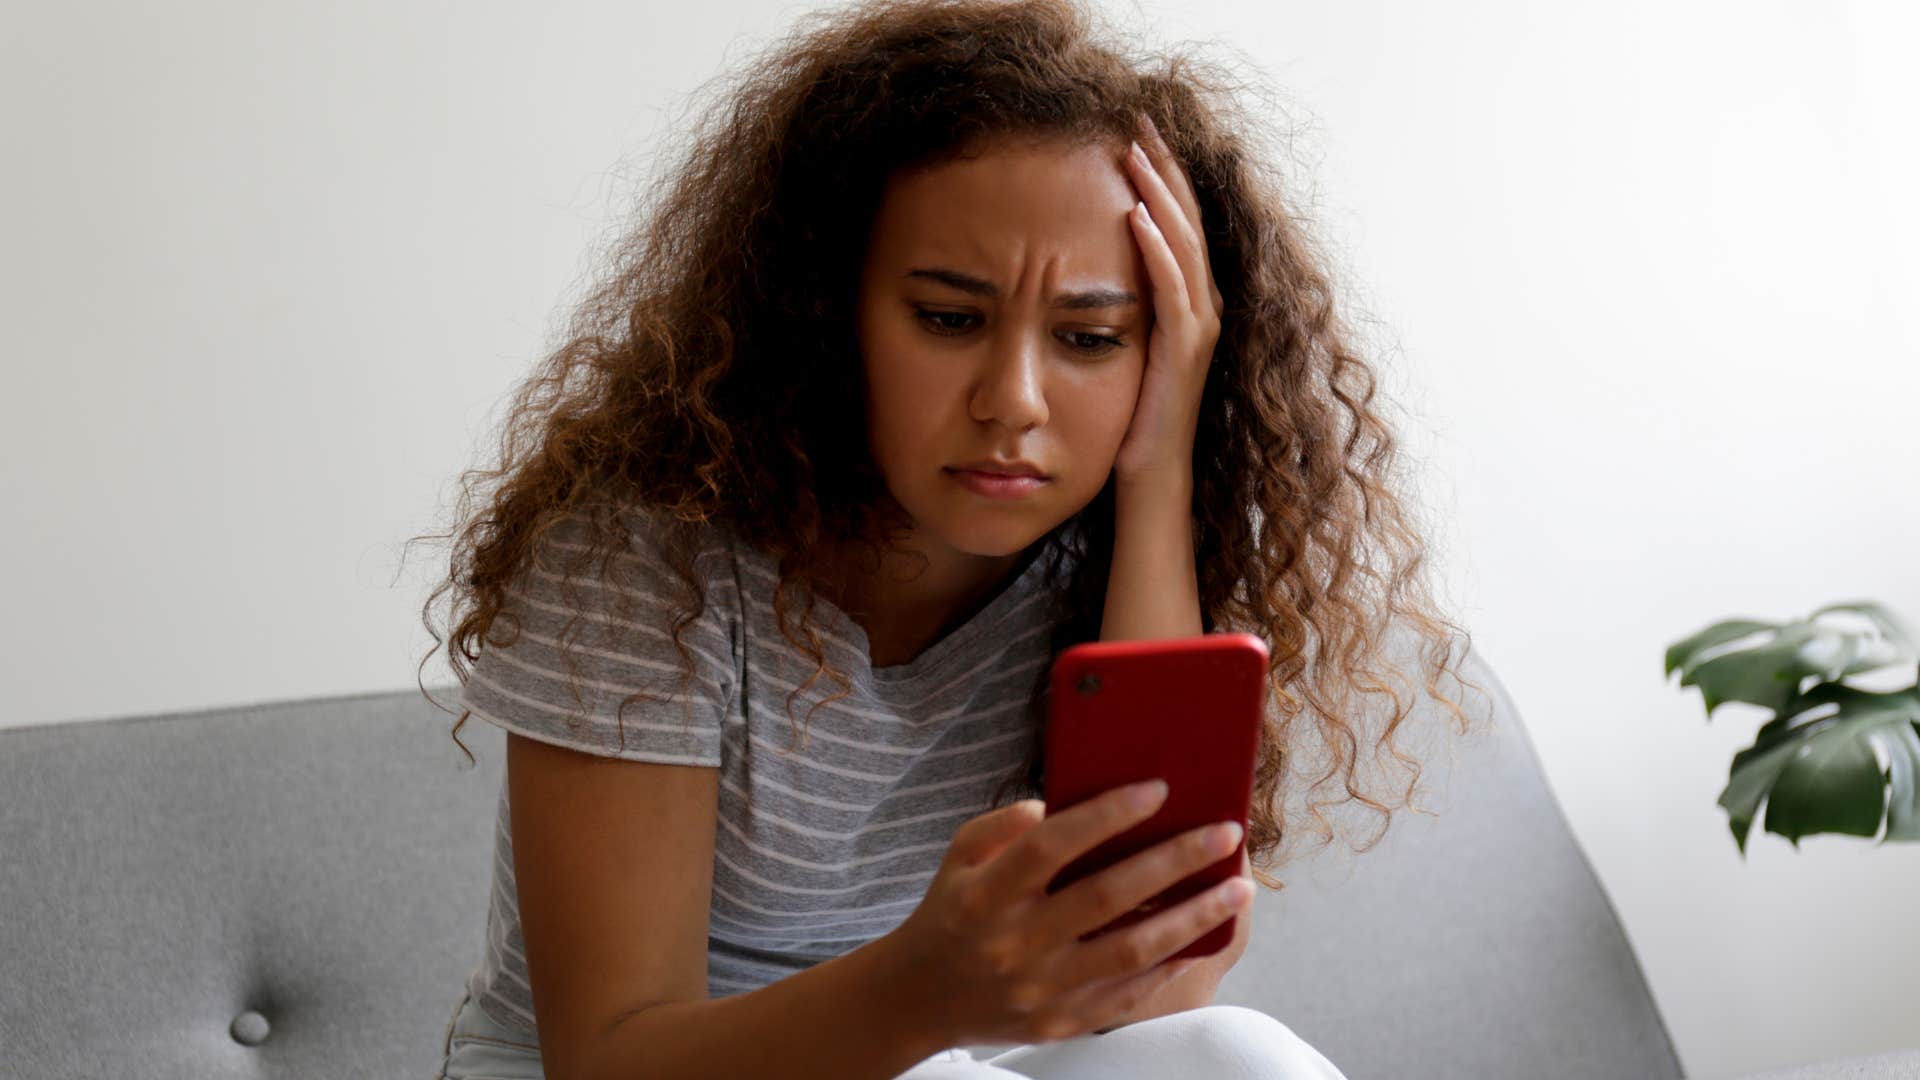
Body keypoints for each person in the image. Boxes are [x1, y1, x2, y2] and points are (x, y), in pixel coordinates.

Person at [418, 0, 1481, 1077]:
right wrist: (923, 989)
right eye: (949, 319)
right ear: (826, 312)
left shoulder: (1096, 562)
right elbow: (607, 1060)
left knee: (1241, 1056)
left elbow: (1150, 994)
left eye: (1090, 338)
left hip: (923, 1059)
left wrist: (1159, 475)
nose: (1013, 401)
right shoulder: (649, 562)